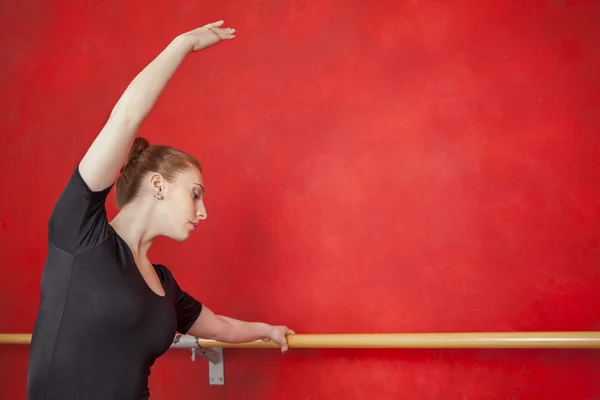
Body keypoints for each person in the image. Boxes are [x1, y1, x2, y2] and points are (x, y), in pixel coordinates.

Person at [27, 20, 294, 400]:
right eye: (196, 194)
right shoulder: (81, 233)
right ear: (157, 185)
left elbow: (218, 326)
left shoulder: (164, 285)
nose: (203, 212)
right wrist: (182, 45)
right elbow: (126, 118)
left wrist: (268, 331)